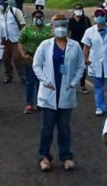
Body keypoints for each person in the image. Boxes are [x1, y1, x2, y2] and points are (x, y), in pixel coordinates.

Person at [33, 14, 85, 171]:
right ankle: (44, 157)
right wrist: (45, 81)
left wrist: (73, 83)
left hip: (66, 91)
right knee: (47, 127)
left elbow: (81, 67)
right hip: (49, 92)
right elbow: (37, 65)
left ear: (67, 28)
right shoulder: (45, 45)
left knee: (64, 127)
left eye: (63, 25)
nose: (60, 29)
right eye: (57, 26)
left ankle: (66, 157)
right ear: (52, 28)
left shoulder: (75, 46)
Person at [18, 10, 51, 114]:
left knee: (42, 82)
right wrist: (23, 54)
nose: (38, 19)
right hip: (30, 58)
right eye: (36, 17)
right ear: (33, 19)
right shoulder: (27, 29)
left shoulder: (49, 30)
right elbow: (20, 42)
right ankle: (29, 103)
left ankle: (40, 102)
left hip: (45, 59)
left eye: (40, 17)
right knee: (30, 82)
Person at [0, 0, 26, 84]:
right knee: (6, 59)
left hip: (15, 39)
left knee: (17, 58)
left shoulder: (15, 11)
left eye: (1, 4)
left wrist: (22, 37)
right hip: (4, 40)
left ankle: (23, 76)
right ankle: (9, 76)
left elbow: (22, 24)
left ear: (5, 4)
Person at [68, 3, 92, 94]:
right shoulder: (70, 21)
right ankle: (69, 84)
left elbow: (90, 31)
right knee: (71, 65)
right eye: (76, 9)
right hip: (73, 44)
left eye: (80, 9)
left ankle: (82, 85)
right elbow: (67, 32)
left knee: (82, 66)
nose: (78, 11)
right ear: (73, 10)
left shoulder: (86, 20)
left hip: (84, 45)